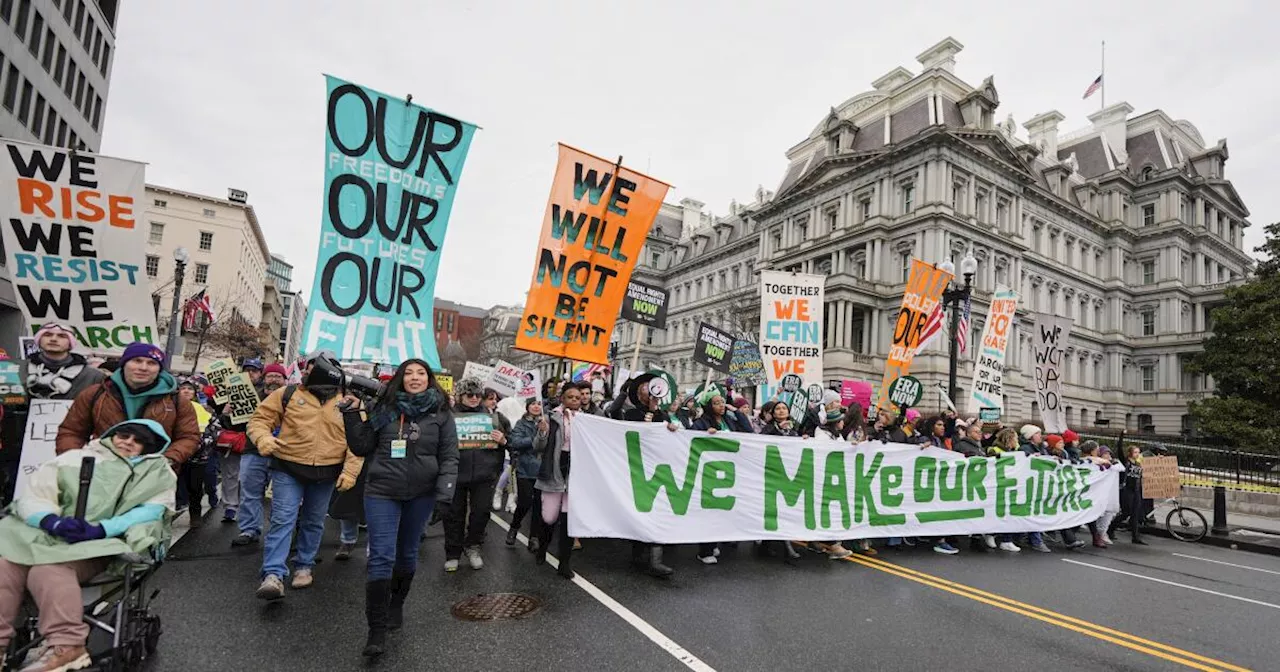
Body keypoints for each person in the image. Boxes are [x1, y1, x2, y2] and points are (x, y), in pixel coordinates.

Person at [0, 420, 175, 672]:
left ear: (147, 448)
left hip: (102, 544)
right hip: (50, 535)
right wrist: (50, 520)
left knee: (48, 569)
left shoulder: (157, 471)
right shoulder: (73, 458)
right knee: (5, 564)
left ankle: (68, 646)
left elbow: (150, 511)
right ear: (111, 435)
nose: (128, 442)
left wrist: (102, 529)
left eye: (137, 441)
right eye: (123, 435)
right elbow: (35, 495)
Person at [341, 359, 457, 658]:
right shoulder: (385, 408)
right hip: (382, 491)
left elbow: (449, 456)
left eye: (421, 373)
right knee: (381, 556)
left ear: (429, 379)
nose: (415, 378)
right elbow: (361, 446)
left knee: (406, 555)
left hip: (422, 494)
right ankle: (375, 630)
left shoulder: (441, 413)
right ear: (400, 379)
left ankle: (396, 605)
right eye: (409, 373)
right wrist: (352, 414)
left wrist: (445, 493)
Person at [247, 353, 362, 599]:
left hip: (327, 471)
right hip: (289, 467)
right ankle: (273, 574)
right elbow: (259, 420)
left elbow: (358, 441)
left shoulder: (349, 402)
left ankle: (304, 566)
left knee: (313, 521)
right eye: (310, 367)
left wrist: (350, 472)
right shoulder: (287, 394)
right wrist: (263, 438)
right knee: (283, 519)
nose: (313, 371)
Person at [55, 342, 200, 468]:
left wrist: (166, 460)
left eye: (151, 363)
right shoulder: (95, 394)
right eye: (136, 361)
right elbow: (71, 432)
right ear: (124, 364)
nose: (143, 367)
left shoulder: (177, 401)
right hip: (100, 472)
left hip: (152, 478)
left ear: (159, 369)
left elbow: (189, 437)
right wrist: (74, 461)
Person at [607, 374, 680, 578]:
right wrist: (623, 392)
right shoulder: (631, 415)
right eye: (645, 390)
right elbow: (613, 414)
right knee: (640, 511)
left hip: (658, 470)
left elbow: (672, 437)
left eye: (653, 390)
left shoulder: (663, 416)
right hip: (635, 469)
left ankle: (655, 560)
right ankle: (638, 554)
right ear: (638, 394)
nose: (650, 394)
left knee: (657, 510)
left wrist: (670, 426)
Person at [445, 378, 510, 572]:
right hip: (455, 473)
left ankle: (472, 547)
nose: (474, 398)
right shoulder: (449, 416)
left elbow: (512, 443)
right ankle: (453, 553)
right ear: (460, 396)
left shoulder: (496, 418)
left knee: (481, 513)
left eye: (477, 395)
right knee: (454, 515)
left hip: (484, 474)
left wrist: (503, 440)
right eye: (469, 395)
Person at [231, 362, 285, 547]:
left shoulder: (292, 399)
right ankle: (249, 529)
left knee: (283, 496)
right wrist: (228, 412)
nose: (274, 380)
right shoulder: (250, 397)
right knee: (250, 492)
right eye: (270, 376)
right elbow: (234, 425)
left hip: (283, 454)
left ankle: (279, 532)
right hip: (254, 451)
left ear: (285, 380)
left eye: (278, 376)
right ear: (264, 377)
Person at [533, 384, 580, 578]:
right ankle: (542, 547)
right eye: (570, 397)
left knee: (569, 520)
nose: (575, 400)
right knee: (549, 518)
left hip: (576, 474)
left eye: (578, 397)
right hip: (554, 471)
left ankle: (564, 562)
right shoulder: (551, 417)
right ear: (562, 398)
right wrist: (543, 432)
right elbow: (538, 447)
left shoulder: (588, 420)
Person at [21, 323, 105, 401]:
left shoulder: (93, 376)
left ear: (71, 342)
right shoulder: (18, 369)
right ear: (39, 339)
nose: (53, 339)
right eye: (47, 335)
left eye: (62, 336)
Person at [506, 398, 547, 551]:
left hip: (542, 469)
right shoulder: (521, 424)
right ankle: (514, 526)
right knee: (524, 502)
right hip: (525, 469)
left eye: (539, 404)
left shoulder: (546, 421)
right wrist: (536, 437)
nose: (536, 407)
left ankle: (534, 537)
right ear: (528, 407)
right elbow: (515, 442)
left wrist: (544, 432)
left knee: (539, 504)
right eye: (533, 404)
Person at [176, 379, 216, 528]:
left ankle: (195, 514)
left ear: (195, 393)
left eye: (189, 389)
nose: (186, 391)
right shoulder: (170, 407)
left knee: (195, 487)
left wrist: (201, 444)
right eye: (183, 388)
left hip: (198, 455)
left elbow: (213, 429)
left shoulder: (204, 409)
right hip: (177, 455)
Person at [1111, 445, 1148, 545]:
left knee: (1135, 514)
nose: (1137, 454)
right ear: (1130, 453)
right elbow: (1119, 450)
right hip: (1126, 490)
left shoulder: (1139, 463)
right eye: (1135, 452)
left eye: (1138, 452)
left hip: (1135, 491)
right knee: (1126, 513)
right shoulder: (1126, 462)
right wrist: (1122, 435)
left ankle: (1135, 537)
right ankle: (1110, 528)